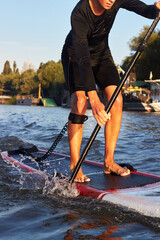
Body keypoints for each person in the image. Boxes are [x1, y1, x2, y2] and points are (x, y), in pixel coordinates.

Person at [61, 0, 160, 182]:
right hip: (76, 57)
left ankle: (109, 161)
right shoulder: (79, 13)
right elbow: (83, 58)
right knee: (81, 102)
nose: (111, 0)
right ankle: (75, 165)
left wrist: (156, 10)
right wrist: (94, 98)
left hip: (102, 55)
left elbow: (144, 9)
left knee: (117, 100)